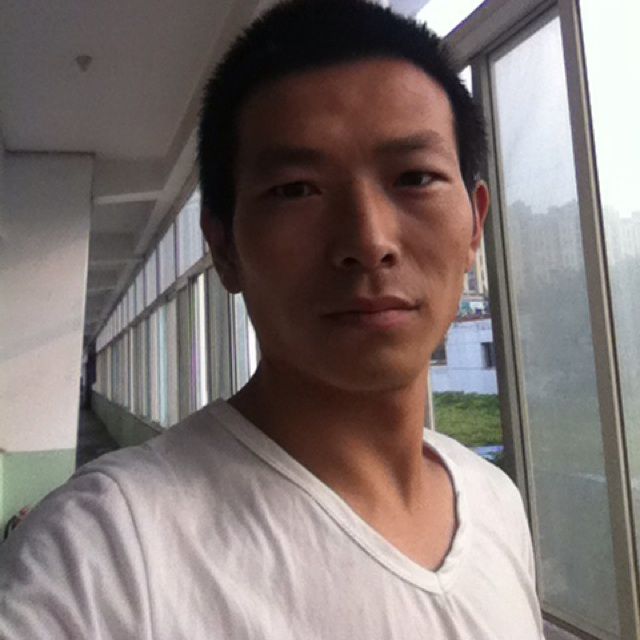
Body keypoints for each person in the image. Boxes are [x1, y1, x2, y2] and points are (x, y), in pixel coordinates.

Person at [0, 1, 544, 637]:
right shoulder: (106, 554)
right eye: (296, 189)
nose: (369, 240)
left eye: (415, 178)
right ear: (224, 247)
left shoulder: (496, 505)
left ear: (475, 225)